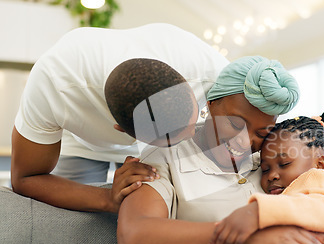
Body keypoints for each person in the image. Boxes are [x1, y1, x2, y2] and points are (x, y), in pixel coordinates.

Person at [117, 56, 324, 244]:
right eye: (233, 123)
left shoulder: (271, 151)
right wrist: (244, 235)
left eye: (260, 132)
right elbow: (135, 240)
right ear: (212, 103)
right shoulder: (166, 155)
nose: (244, 142)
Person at [10, 23, 229, 213]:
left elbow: (260, 113)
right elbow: (26, 178)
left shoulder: (206, 67)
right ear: (120, 129)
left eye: (193, 122)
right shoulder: (53, 83)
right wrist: (107, 199)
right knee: (76, 220)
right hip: (81, 145)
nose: (194, 135)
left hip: (152, 135)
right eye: (176, 139)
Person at [208, 111, 324, 244]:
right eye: (265, 169)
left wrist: (258, 212)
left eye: (285, 164)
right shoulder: (289, 189)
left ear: (320, 164)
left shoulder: (317, 178)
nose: (272, 175)